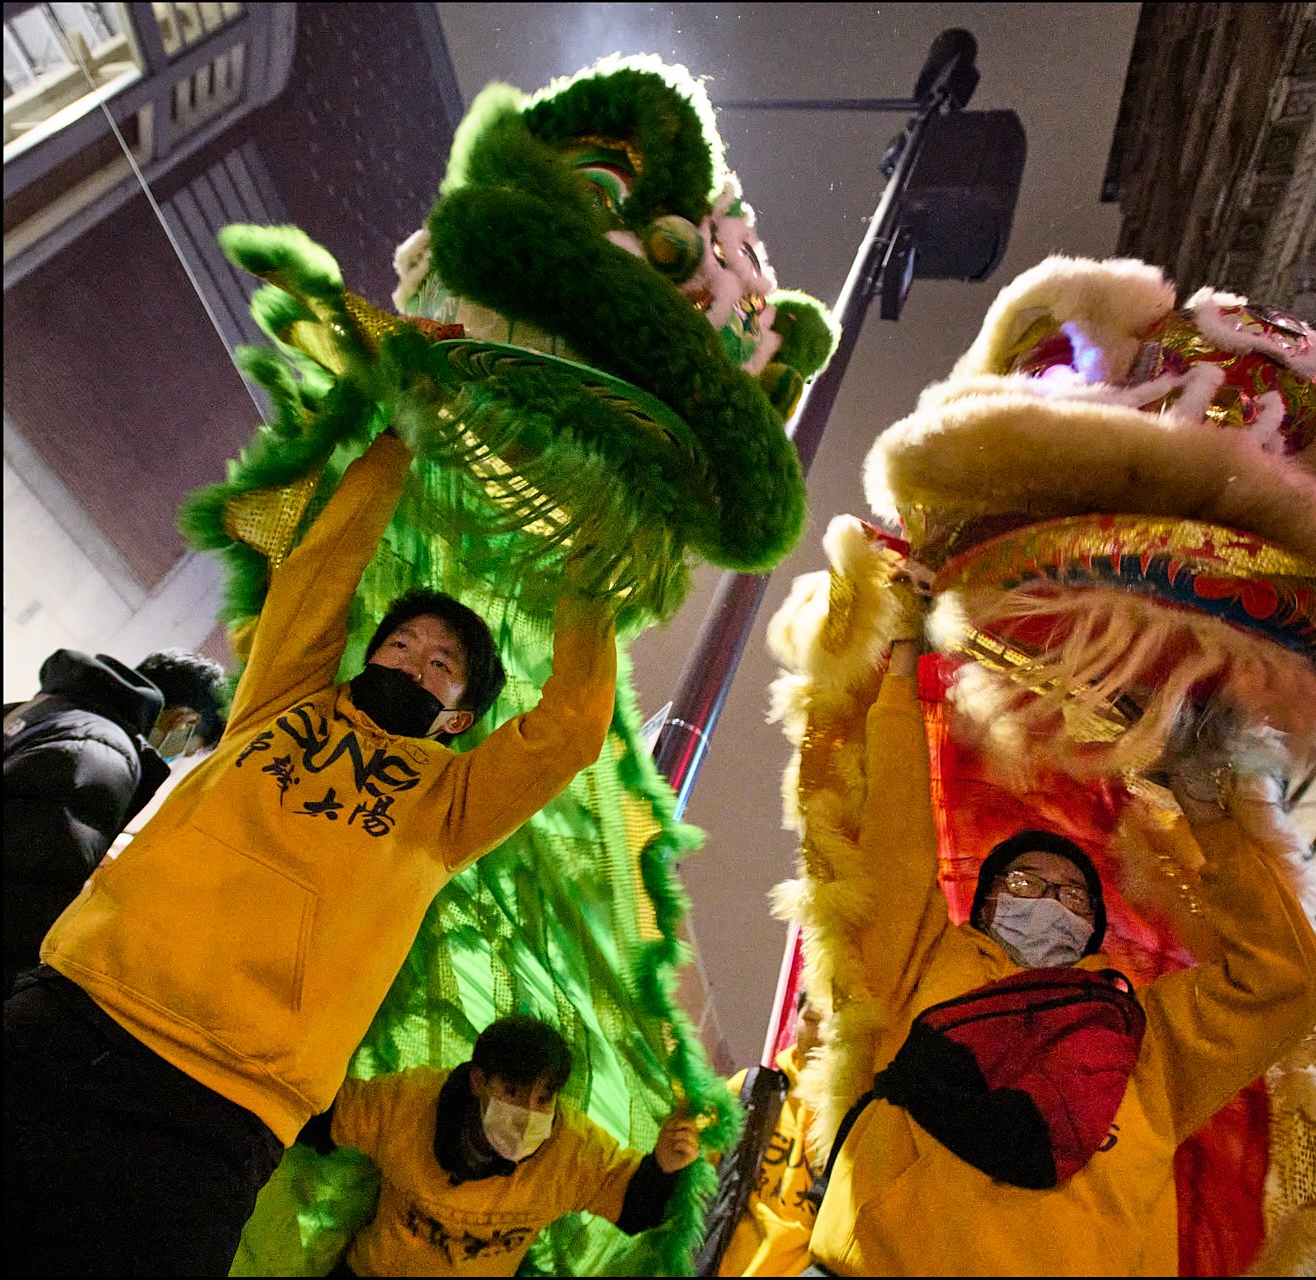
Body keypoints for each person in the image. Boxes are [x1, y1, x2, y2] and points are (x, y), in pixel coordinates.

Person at [3, 430, 619, 1276]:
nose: (415, 660)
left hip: (219, 1110)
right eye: (401, 645)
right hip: (76, 1008)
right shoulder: (280, 699)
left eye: (442, 665)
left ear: (460, 718)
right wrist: (398, 434)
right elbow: (320, 570)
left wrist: (586, 582)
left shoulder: (453, 804)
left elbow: (571, 729)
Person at [803, 638, 1316, 1276]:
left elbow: (1287, 984)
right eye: (1023, 885)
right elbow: (898, 828)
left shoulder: (1150, 1038)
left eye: (1071, 894)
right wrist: (902, 670)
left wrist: (1206, 810)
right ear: (985, 905)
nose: (1048, 900)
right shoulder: (923, 960)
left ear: (1094, 926)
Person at [298, 1013, 700, 1276]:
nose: (528, 1113)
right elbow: (314, 1115)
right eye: (512, 1091)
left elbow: (634, 1209)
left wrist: (664, 1165)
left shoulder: (570, 1150)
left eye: (543, 1099)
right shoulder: (409, 1104)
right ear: (478, 1082)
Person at [2, 646, 225, 994]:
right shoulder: (102, 754)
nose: (180, 756)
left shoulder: (50, 711)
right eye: (190, 746)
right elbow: (27, 894)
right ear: (185, 721)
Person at [699, 992, 823, 1276]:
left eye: (832, 1025)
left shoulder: (855, 1126)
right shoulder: (752, 1091)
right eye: (811, 1019)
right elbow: (691, 1185)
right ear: (795, 1022)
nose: (819, 1035)